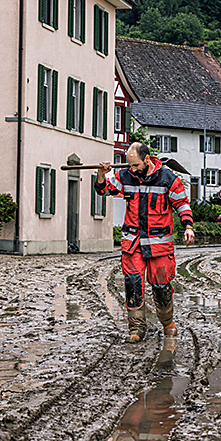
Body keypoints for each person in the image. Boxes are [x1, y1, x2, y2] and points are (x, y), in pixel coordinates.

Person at [96, 142, 194, 343]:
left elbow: (182, 204)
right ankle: (137, 328)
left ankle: (168, 324)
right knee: (132, 284)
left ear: (147, 159)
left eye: (135, 165)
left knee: (161, 286)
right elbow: (104, 190)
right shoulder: (124, 176)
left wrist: (188, 226)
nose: (132, 169)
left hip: (159, 244)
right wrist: (100, 174)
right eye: (129, 165)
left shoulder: (168, 179)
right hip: (133, 243)